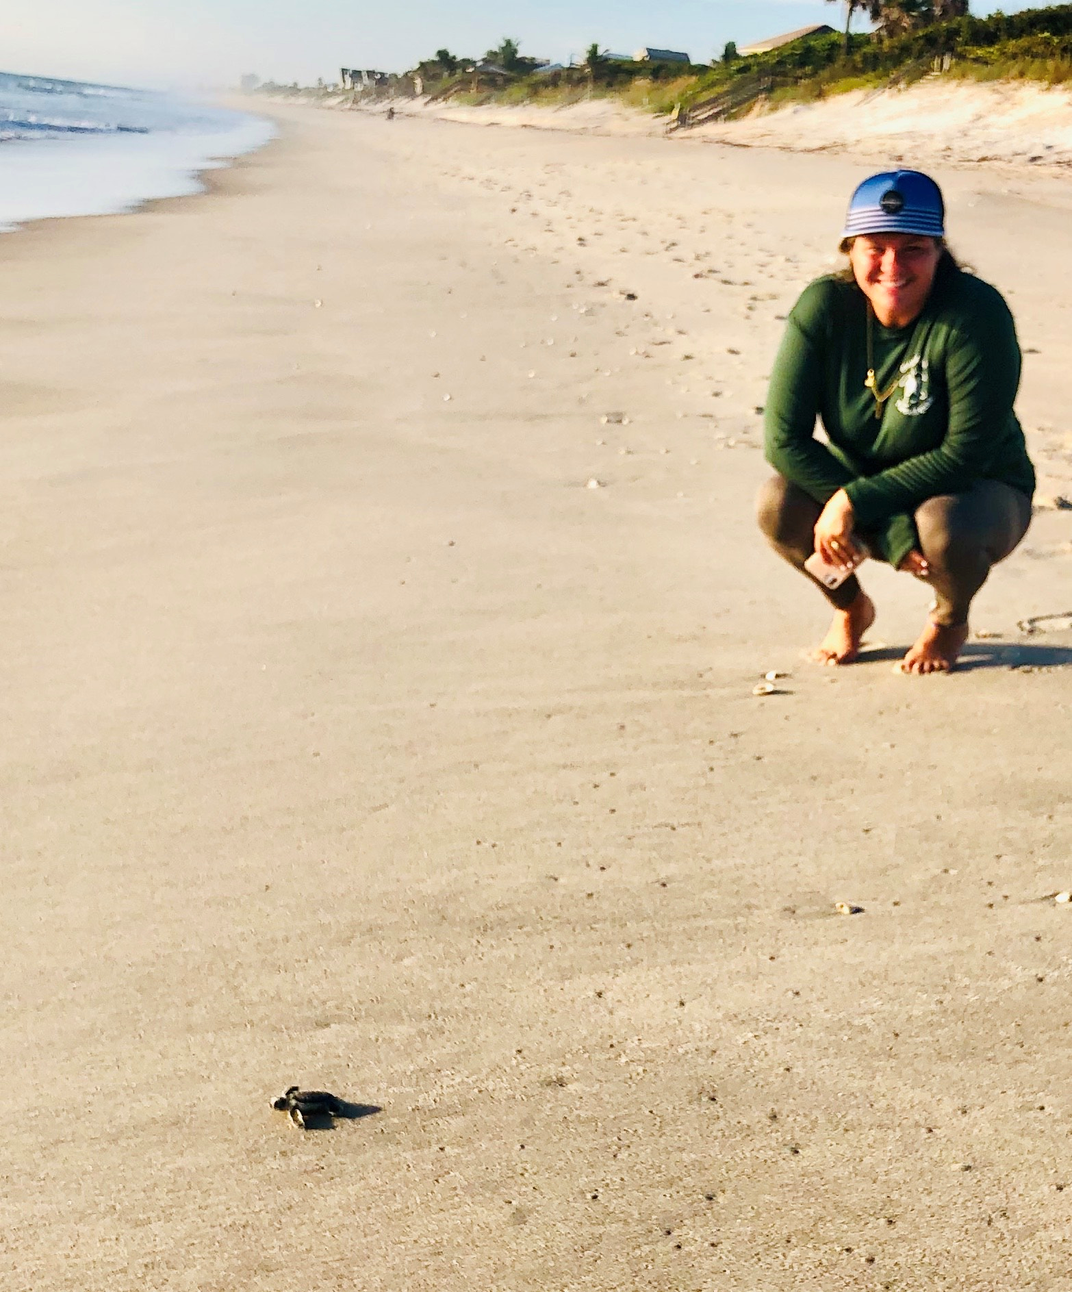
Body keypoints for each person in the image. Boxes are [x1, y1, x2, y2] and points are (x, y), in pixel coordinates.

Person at [757, 169, 1035, 674]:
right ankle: (851, 608)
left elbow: (964, 454)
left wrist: (851, 501)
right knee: (778, 505)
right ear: (850, 250)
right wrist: (882, 522)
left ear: (939, 250)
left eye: (913, 248)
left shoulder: (976, 315)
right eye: (875, 248)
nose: (892, 266)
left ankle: (950, 620)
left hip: (977, 489)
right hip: (867, 487)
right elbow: (783, 439)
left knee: (943, 528)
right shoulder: (823, 308)